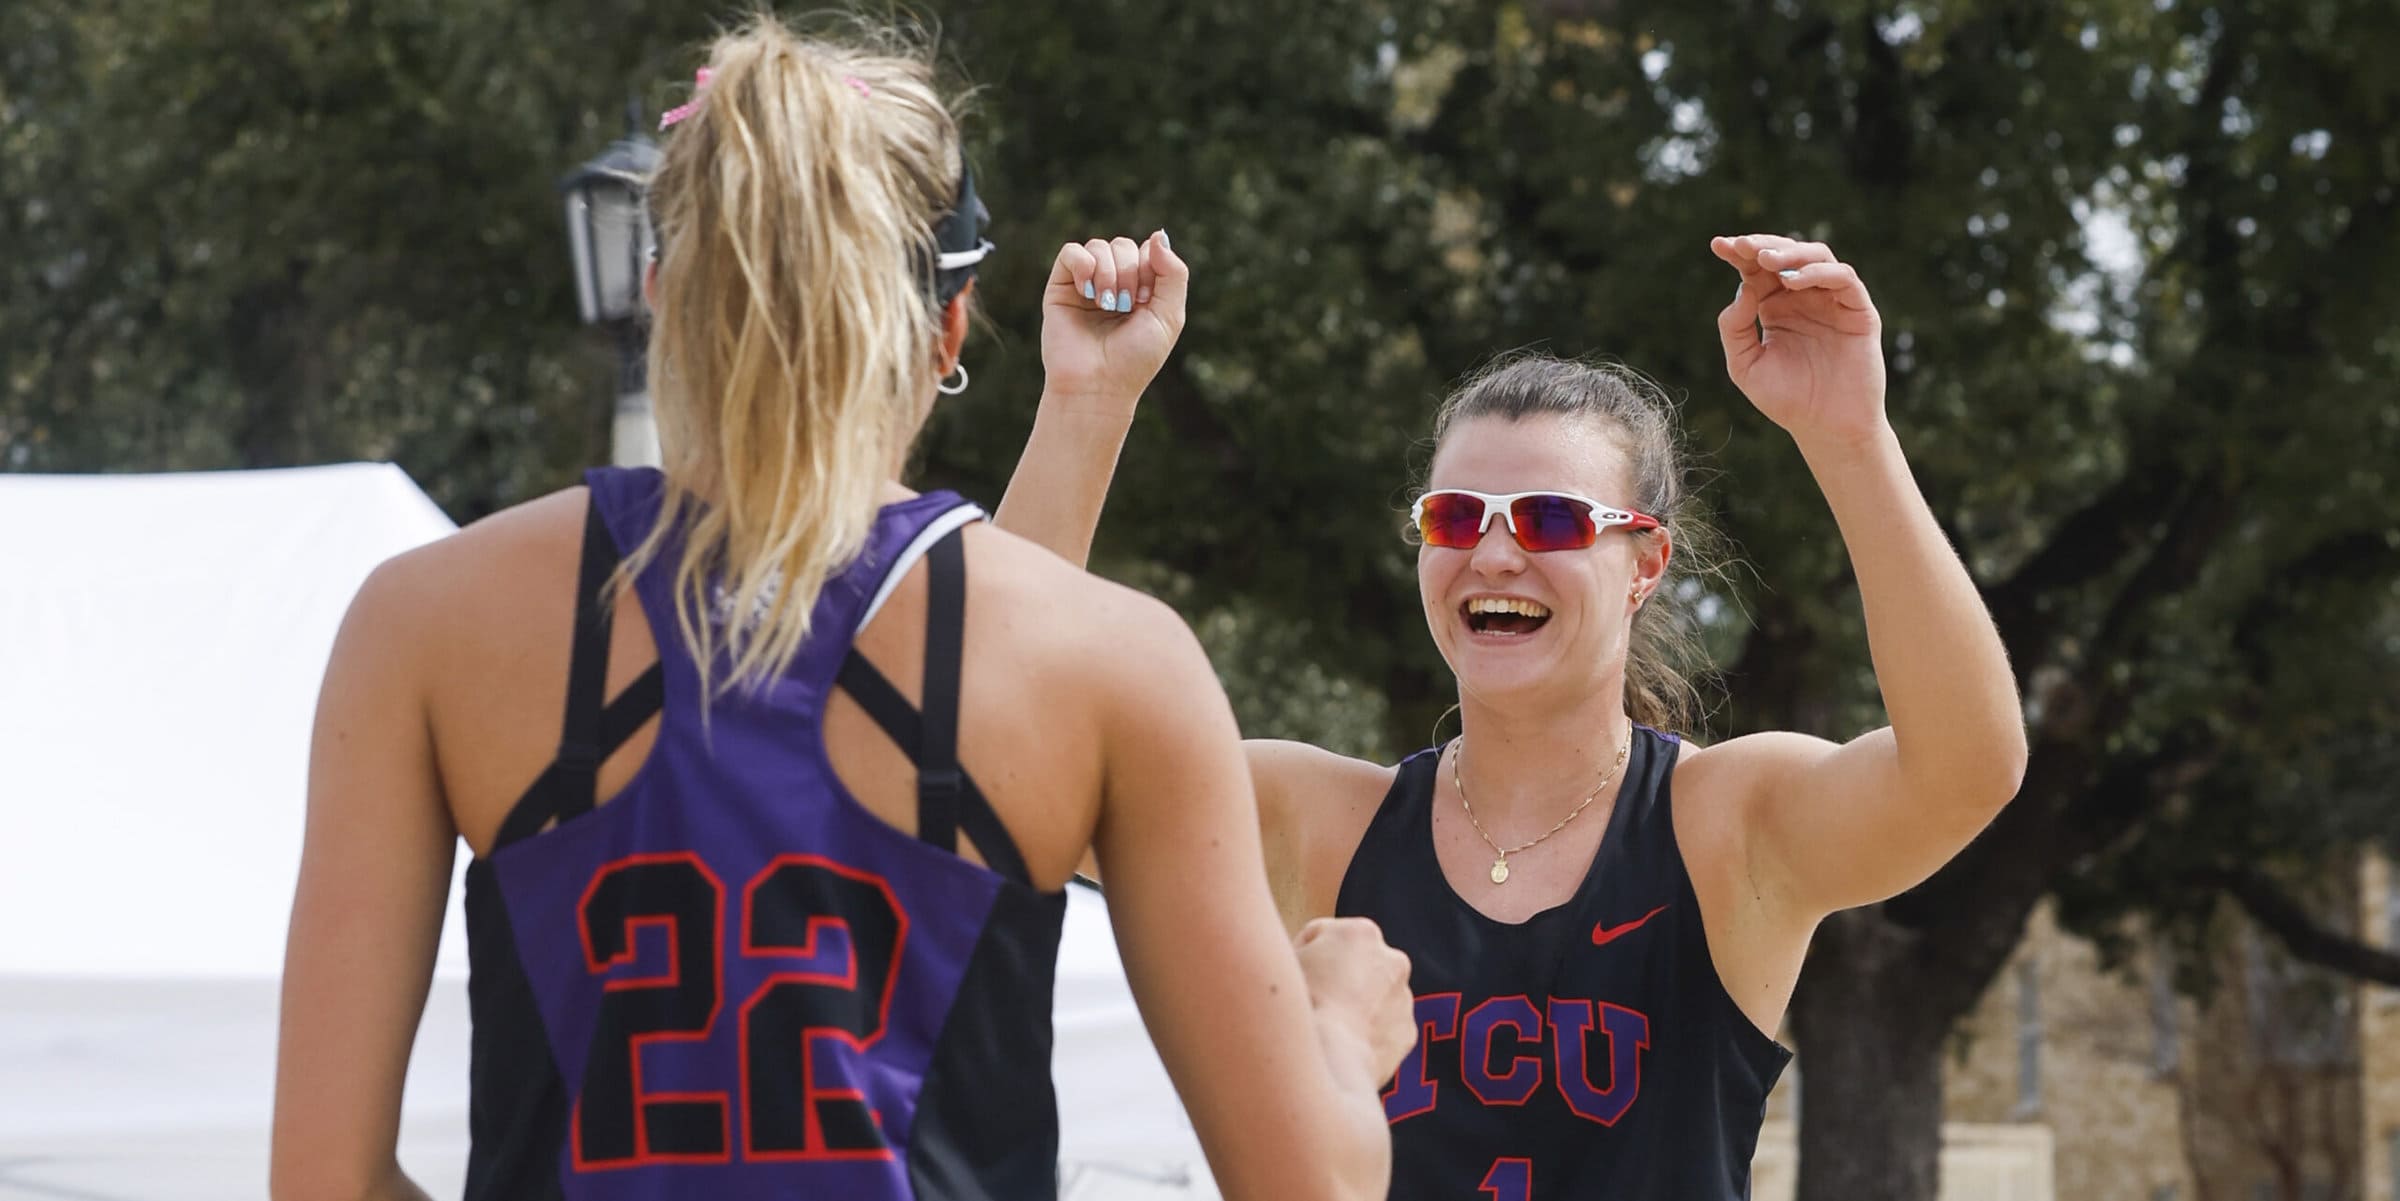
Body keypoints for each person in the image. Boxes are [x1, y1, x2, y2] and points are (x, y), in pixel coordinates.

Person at [270, 16, 1414, 1201]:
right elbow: (1310, 1186)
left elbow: (323, 1182)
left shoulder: (427, 620)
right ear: (948, 329)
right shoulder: (1109, 661)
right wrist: (1338, 1022)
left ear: (660, 289)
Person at [1004, 235, 2029, 1198]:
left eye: (1549, 519)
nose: (1493, 555)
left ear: (1645, 566)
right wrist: (1086, 403)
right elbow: (1006, 761)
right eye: (1455, 518)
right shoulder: (1317, 823)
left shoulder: (1726, 825)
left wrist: (1851, 437)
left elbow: (1967, 767)